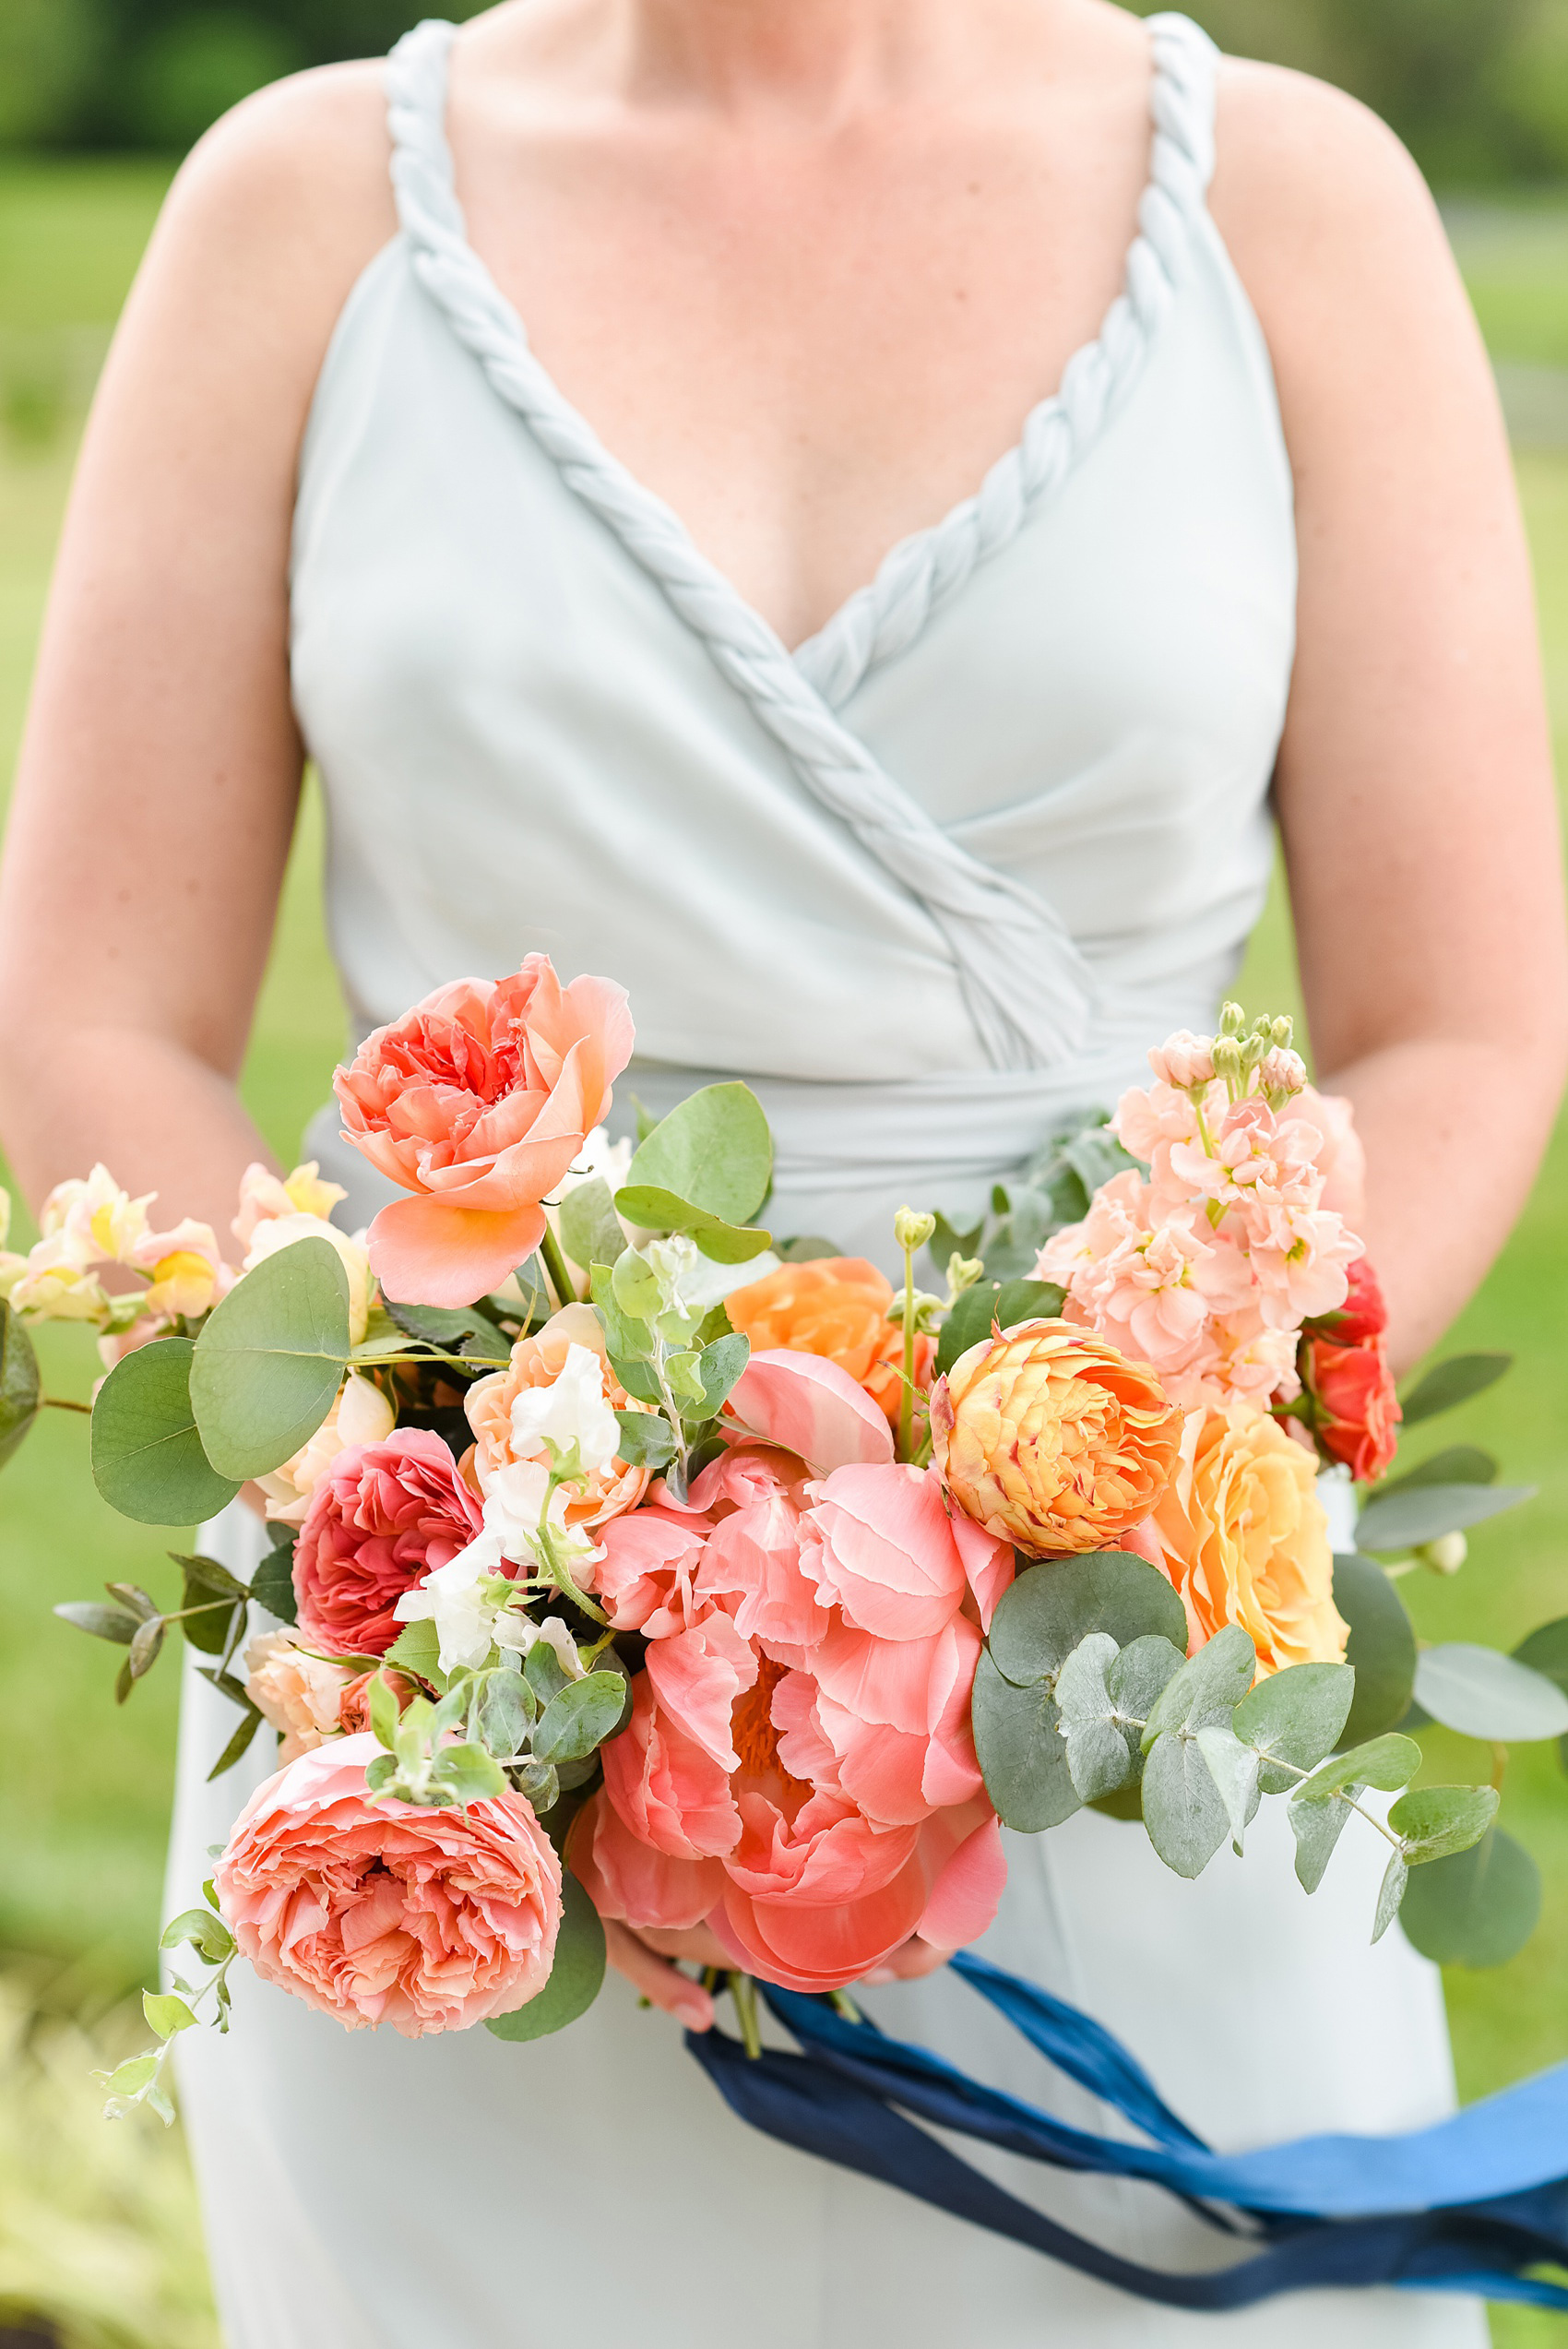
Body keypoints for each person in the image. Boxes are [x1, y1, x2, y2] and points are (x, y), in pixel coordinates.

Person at [1, 1, 1562, 2341]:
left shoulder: (1288, 209)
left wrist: (1067, 1517)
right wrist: (465, 1541)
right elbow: (91, 1009)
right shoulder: (300, 210)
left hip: (1129, 1712)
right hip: (467, 1747)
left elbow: (1463, 1024)